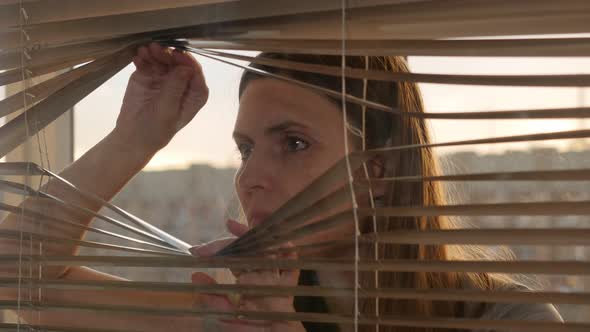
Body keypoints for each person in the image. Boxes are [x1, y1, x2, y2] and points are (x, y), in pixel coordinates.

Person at [0, 42, 562, 332]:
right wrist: (136, 137)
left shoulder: (509, 320)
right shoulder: (233, 311)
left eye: (293, 143)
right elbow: (19, 281)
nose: (248, 179)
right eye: (245, 149)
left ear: (379, 174)